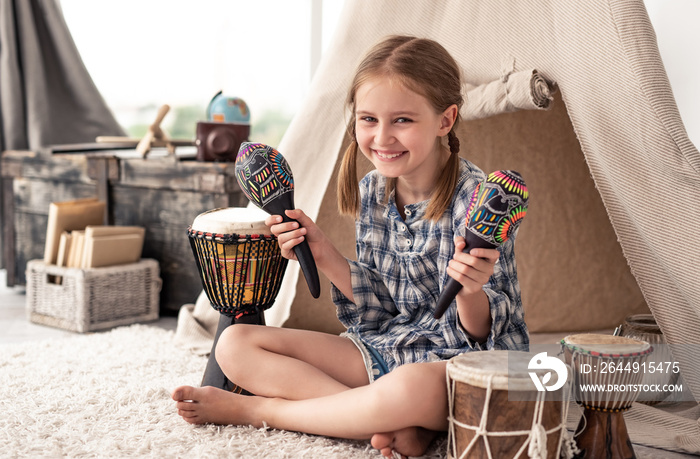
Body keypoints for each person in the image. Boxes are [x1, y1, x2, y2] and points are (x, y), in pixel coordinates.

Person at [172, 35, 528, 458]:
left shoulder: (482, 204)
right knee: (236, 344)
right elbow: (381, 311)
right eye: (368, 119)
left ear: (445, 120)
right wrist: (321, 251)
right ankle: (389, 422)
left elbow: (487, 339)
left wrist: (470, 290)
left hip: (461, 367)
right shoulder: (373, 191)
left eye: (402, 120)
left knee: (407, 386)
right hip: (392, 348)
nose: (382, 137)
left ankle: (260, 411)